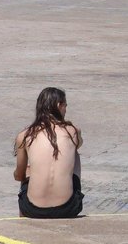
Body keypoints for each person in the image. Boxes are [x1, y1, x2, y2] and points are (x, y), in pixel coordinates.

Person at [13, 87, 84, 218]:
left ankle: (23, 220)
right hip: (68, 208)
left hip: (32, 210)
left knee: (27, 171)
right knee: (75, 155)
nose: (65, 110)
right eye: (65, 106)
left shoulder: (24, 135)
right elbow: (78, 145)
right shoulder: (72, 131)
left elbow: (19, 176)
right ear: (59, 105)